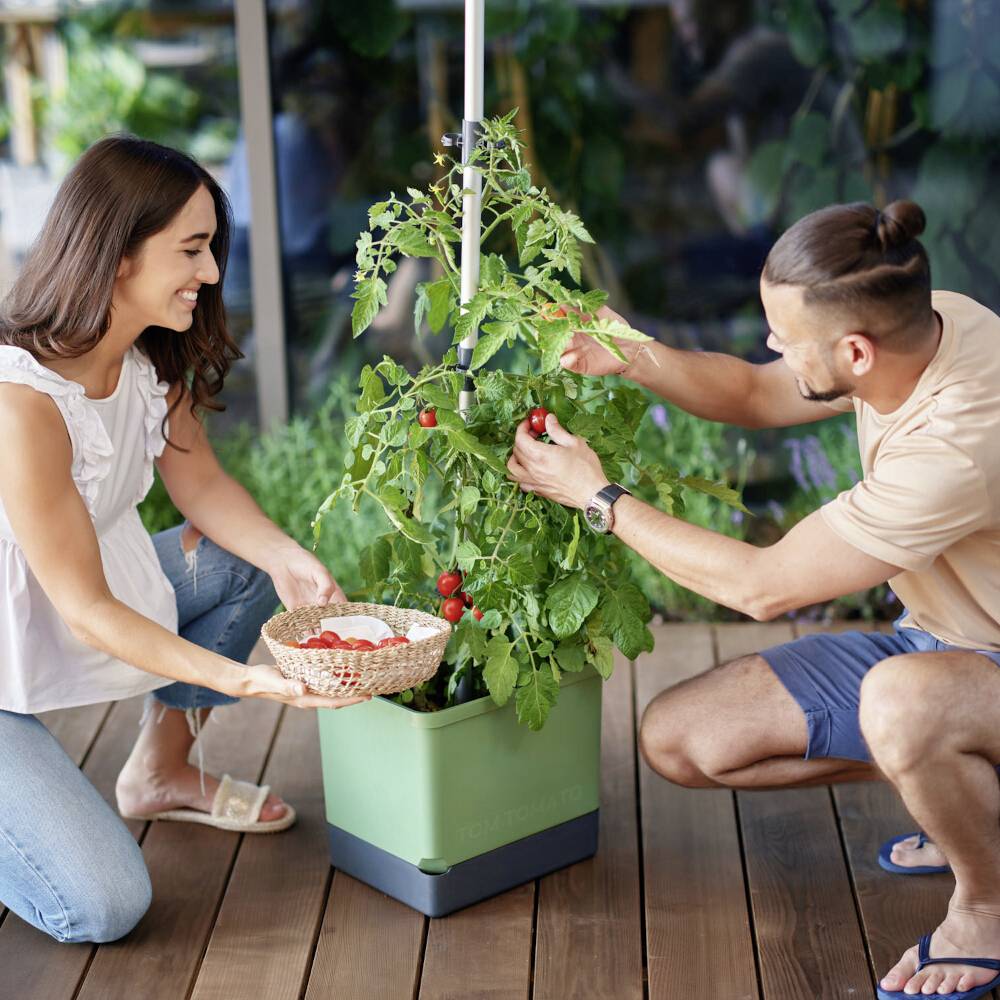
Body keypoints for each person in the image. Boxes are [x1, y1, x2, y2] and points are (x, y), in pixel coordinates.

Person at [507, 200, 1000, 1000]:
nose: (771, 344)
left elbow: (761, 588)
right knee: (683, 738)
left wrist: (595, 496)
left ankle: (986, 901)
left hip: (976, 668)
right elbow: (757, 394)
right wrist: (629, 351)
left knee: (901, 706)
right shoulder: (929, 320)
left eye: (784, 336)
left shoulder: (957, 443)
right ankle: (963, 800)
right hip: (938, 639)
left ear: (854, 351)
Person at [0, 135, 365, 945]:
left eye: (211, 249)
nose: (209, 272)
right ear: (117, 253)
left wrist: (289, 559)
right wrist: (247, 681)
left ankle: (160, 772)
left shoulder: (145, 357)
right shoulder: (19, 404)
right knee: (104, 906)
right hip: (48, 622)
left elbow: (196, 482)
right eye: (192, 250)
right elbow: (88, 608)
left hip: (76, 600)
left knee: (243, 560)